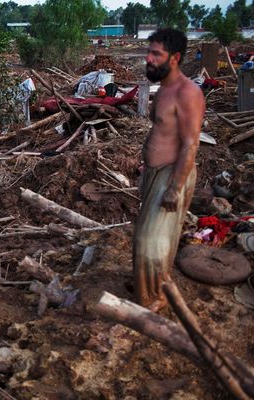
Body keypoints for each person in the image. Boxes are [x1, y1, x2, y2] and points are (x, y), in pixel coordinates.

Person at [133, 28, 205, 312]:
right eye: (148, 52)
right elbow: (162, 131)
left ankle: (156, 298)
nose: (148, 58)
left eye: (155, 54)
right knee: (146, 234)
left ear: (174, 58)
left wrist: (176, 187)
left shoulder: (189, 93)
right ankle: (145, 287)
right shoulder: (163, 87)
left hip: (173, 173)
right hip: (153, 172)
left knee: (152, 241)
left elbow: (190, 144)